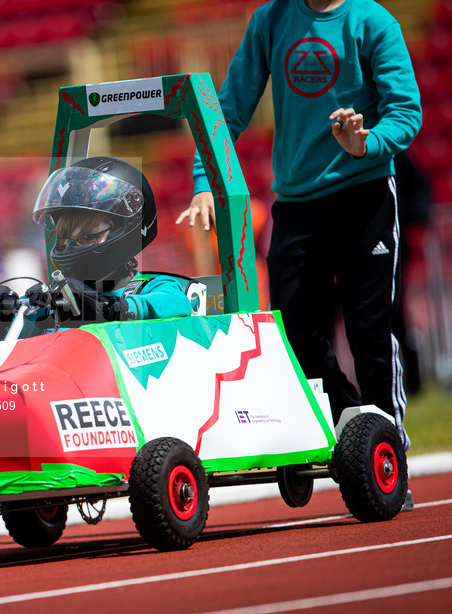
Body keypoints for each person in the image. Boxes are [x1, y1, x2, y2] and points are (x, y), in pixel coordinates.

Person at [175, 0, 422, 453]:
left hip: (364, 197)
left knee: (369, 335)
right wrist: (204, 178)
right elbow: (226, 110)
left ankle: (390, 456)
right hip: (296, 205)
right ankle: (355, 429)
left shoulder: (372, 21)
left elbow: (406, 112)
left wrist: (366, 143)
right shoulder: (271, 19)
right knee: (292, 338)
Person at [0, 156, 191, 339]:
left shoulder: (151, 288)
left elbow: (178, 303)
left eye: (87, 237)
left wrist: (112, 309)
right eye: (66, 239)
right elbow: (18, 341)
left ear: (125, 229)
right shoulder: (58, 303)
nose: (73, 247)